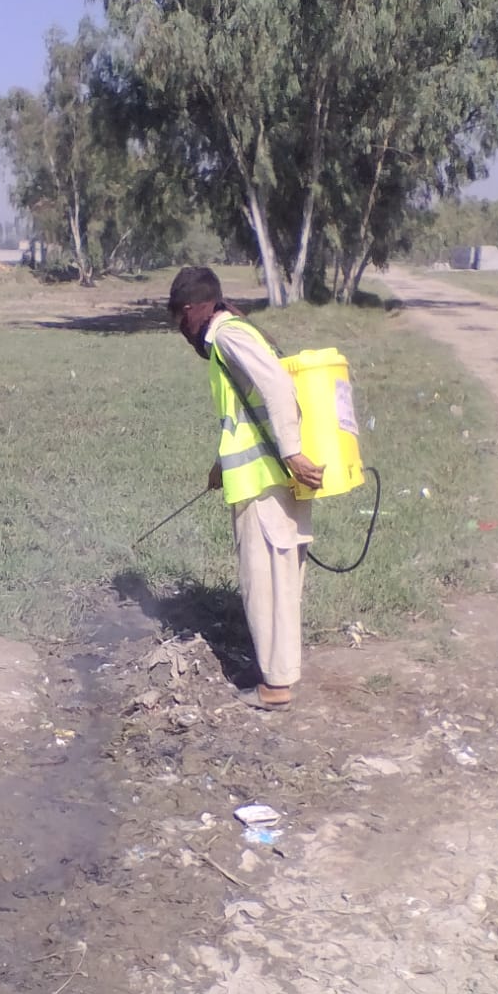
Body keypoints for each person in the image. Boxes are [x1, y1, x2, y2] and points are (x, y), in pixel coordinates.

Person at [167, 266, 324, 709]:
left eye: (180, 316)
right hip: (275, 477)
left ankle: (274, 686)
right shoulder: (235, 335)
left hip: (265, 483)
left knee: (265, 582)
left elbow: (275, 383)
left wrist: (291, 452)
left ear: (196, 308)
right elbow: (247, 411)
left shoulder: (226, 336)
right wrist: (220, 465)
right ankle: (282, 674)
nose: (180, 328)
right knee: (282, 581)